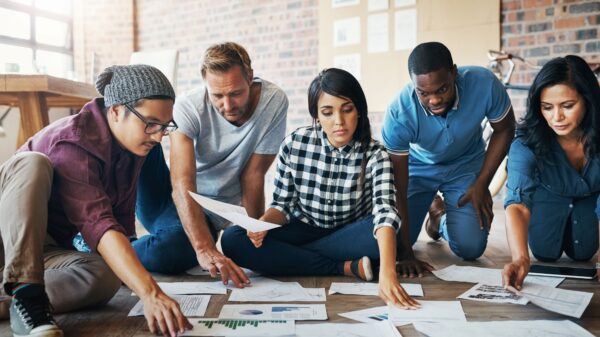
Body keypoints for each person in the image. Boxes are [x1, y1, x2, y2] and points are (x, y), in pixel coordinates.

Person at [0, 64, 192, 337]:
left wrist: (131, 276)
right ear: (116, 111)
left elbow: (119, 219)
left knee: (105, 277)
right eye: (150, 123)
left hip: (46, 249)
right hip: (6, 234)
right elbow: (97, 222)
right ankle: (27, 293)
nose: (158, 135)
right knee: (32, 163)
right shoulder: (73, 141)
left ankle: (16, 296)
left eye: (164, 126)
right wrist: (149, 291)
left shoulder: (134, 147)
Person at [221, 68, 420, 308]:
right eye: (327, 112)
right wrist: (263, 224)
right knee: (233, 239)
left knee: (384, 235)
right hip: (304, 228)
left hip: (350, 234)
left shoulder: (376, 154)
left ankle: (290, 257)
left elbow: (385, 212)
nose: (339, 121)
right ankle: (343, 267)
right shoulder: (295, 144)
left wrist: (388, 273)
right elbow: (283, 206)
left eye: (347, 109)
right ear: (316, 115)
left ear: (359, 110)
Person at [131, 42, 288, 286]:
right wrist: (204, 247)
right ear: (205, 84)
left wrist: (255, 231)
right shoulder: (188, 106)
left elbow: (253, 175)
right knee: (174, 250)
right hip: (169, 195)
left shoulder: (274, 101)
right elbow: (182, 183)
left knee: (178, 249)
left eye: (236, 93)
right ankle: (105, 248)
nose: (227, 105)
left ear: (250, 77)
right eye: (217, 96)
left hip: (210, 214)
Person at [382, 41, 516, 266]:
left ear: (454, 73)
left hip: (464, 164)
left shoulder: (483, 83)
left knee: (471, 248)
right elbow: (398, 187)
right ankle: (431, 202)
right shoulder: (399, 112)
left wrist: (482, 183)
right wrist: (405, 252)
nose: (434, 100)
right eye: (423, 93)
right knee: (393, 244)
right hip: (417, 168)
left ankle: (438, 218)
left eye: (442, 89)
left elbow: (505, 129)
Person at [502, 55, 600, 289]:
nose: (557, 117)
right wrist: (520, 258)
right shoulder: (525, 143)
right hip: (547, 202)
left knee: (583, 253)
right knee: (544, 252)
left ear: (587, 101)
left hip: (592, 207)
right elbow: (517, 203)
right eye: (547, 107)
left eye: (568, 106)